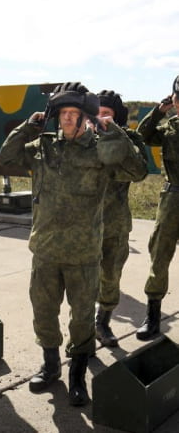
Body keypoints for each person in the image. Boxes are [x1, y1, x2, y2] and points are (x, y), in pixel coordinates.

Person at [0, 82, 147, 406]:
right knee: (44, 314)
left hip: (83, 255)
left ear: (85, 117)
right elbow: (6, 156)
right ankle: (50, 365)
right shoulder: (44, 147)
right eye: (62, 113)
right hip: (46, 251)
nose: (67, 120)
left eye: (74, 114)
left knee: (81, 320)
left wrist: (113, 132)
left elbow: (137, 171)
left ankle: (77, 375)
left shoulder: (100, 151)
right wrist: (30, 125)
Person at [95, 91, 148, 347]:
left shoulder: (129, 140)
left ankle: (102, 322)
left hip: (114, 224)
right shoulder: (81, 139)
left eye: (106, 114)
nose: (100, 118)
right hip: (82, 225)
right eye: (97, 112)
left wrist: (117, 139)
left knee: (110, 276)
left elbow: (138, 172)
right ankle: (81, 336)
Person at [135, 76, 179, 341]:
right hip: (172, 198)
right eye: (178, 98)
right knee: (159, 255)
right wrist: (157, 112)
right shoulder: (169, 127)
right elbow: (142, 136)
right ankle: (152, 317)